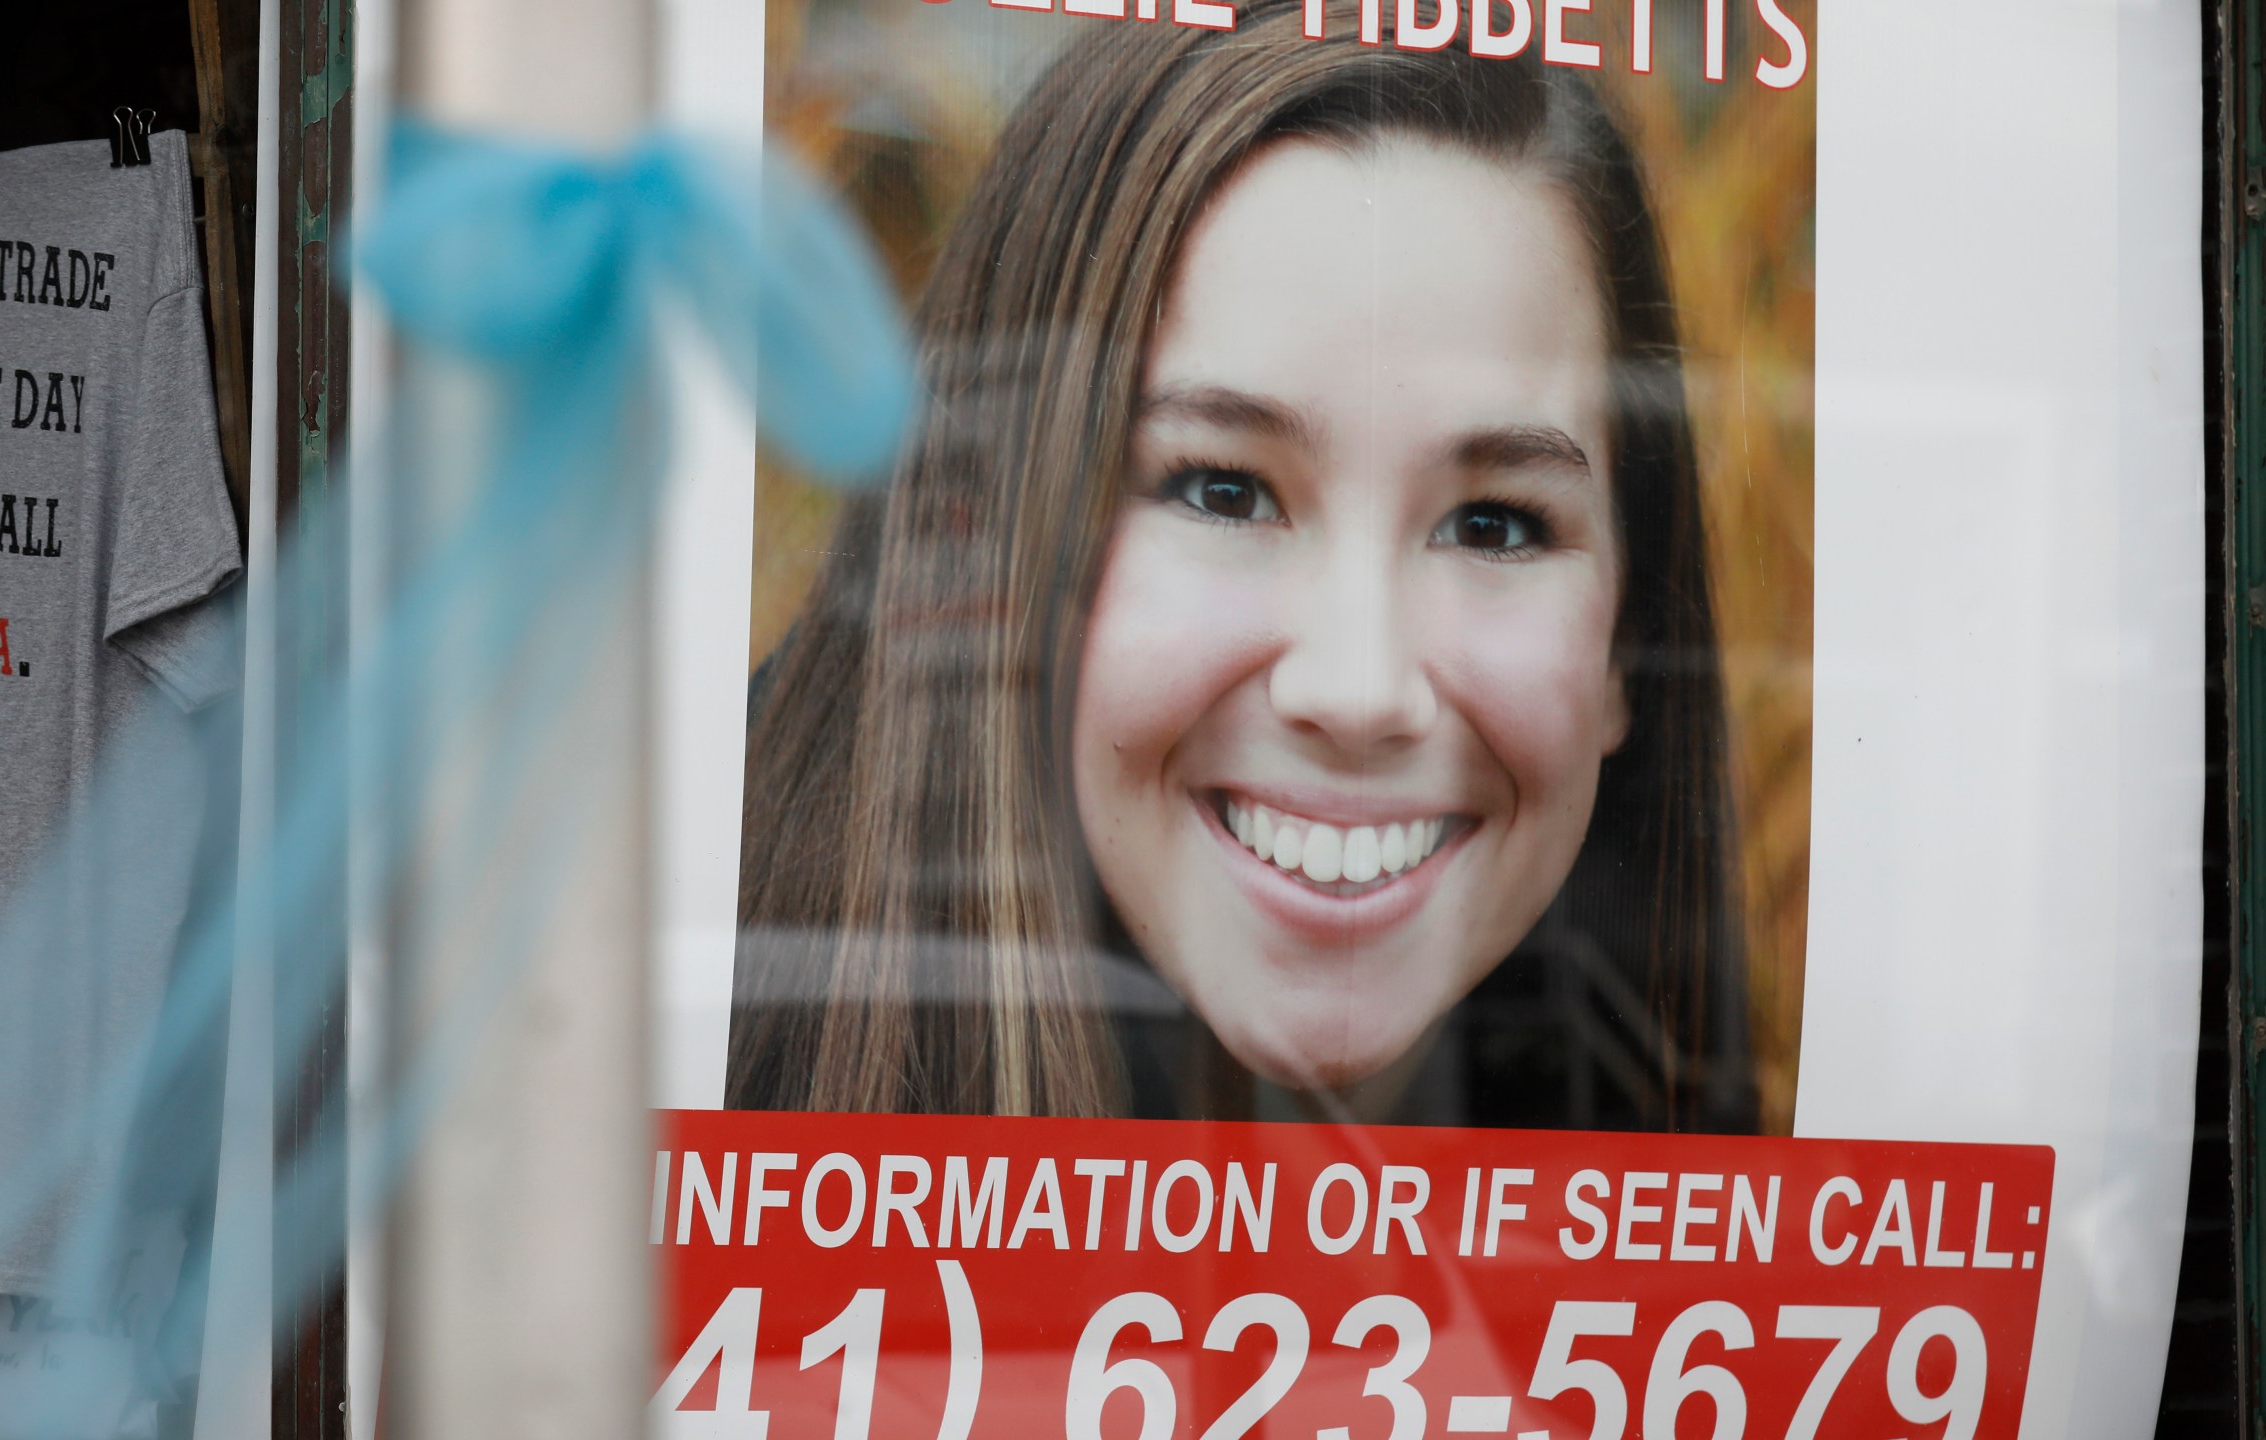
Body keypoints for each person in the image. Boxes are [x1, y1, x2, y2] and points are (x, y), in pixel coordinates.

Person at [728, 1, 1756, 1134]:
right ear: (988, 560)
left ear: (1625, 644)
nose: (1357, 690)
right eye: (1223, 491)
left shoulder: (1705, 1249)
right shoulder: (604, 1102)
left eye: (1493, 527)